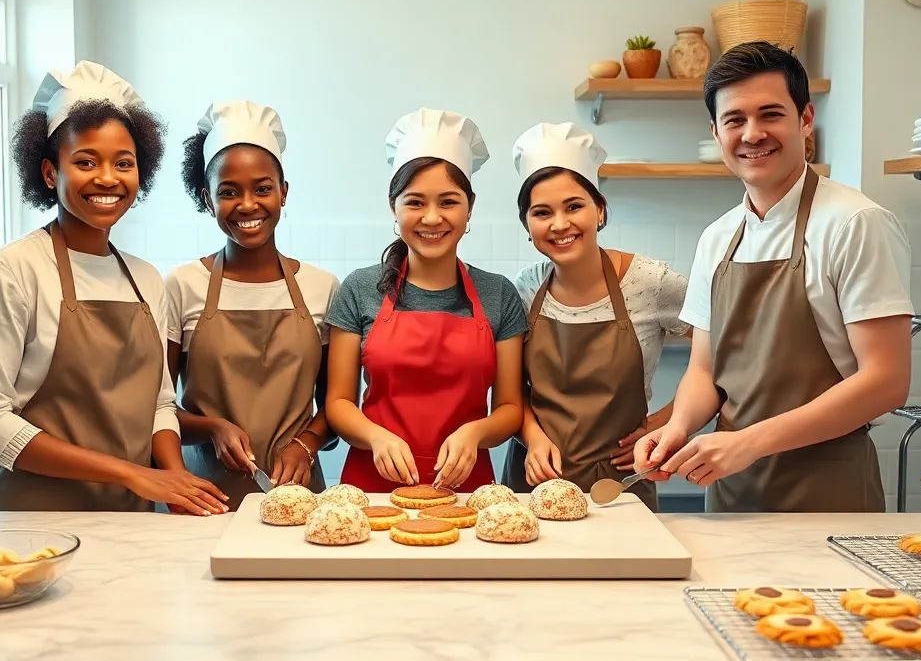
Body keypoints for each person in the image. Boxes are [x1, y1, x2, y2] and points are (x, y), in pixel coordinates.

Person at [634, 42, 914, 512]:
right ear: (715, 131)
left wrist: (750, 442)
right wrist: (677, 427)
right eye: (735, 120)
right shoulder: (718, 237)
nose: (753, 134)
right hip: (730, 490)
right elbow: (704, 370)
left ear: (805, 120)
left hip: (828, 489)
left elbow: (886, 380)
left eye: (771, 115)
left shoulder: (855, 223)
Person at [0, 61, 227, 515]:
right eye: (85, 161)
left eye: (124, 163)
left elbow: (160, 403)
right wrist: (130, 472)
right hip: (36, 520)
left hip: (132, 519)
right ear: (48, 173)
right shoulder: (10, 271)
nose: (107, 178)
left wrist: (175, 476)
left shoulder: (144, 280)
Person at [325, 108, 527, 491]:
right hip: (372, 487)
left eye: (448, 202)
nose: (432, 218)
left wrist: (475, 433)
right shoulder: (360, 288)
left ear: (470, 208)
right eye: (415, 202)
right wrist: (375, 437)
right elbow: (337, 402)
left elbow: (510, 408)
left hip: (466, 489)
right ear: (393, 207)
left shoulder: (498, 293)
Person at [501, 123, 689, 510]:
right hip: (533, 481)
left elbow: (722, 350)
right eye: (542, 212)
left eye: (574, 206)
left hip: (618, 488)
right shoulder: (525, 288)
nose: (559, 224)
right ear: (527, 225)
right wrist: (533, 438)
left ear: (599, 209)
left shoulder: (650, 281)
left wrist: (667, 423)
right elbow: (508, 388)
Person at [165, 101, 340, 509]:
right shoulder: (182, 286)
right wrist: (211, 428)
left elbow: (336, 405)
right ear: (208, 201)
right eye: (228, 192)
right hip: (200, 498)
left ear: (284, 192)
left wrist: (307, 443)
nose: (247, 205)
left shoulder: (321, 287)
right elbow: (154, 406)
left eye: (262, 188)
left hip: (298, 499)